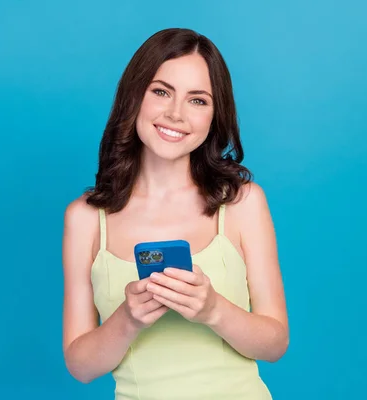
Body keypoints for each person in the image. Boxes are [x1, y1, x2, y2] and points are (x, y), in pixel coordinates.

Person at [61, 28, 289, 400]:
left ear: (215, 116)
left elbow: (275, 344)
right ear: (135, 96)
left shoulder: (243, 202)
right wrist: (128, 318)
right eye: (161, 91)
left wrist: (213, 309)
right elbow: (81, 366)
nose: (175, 114)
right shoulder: (86, 219)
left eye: (198, 100)